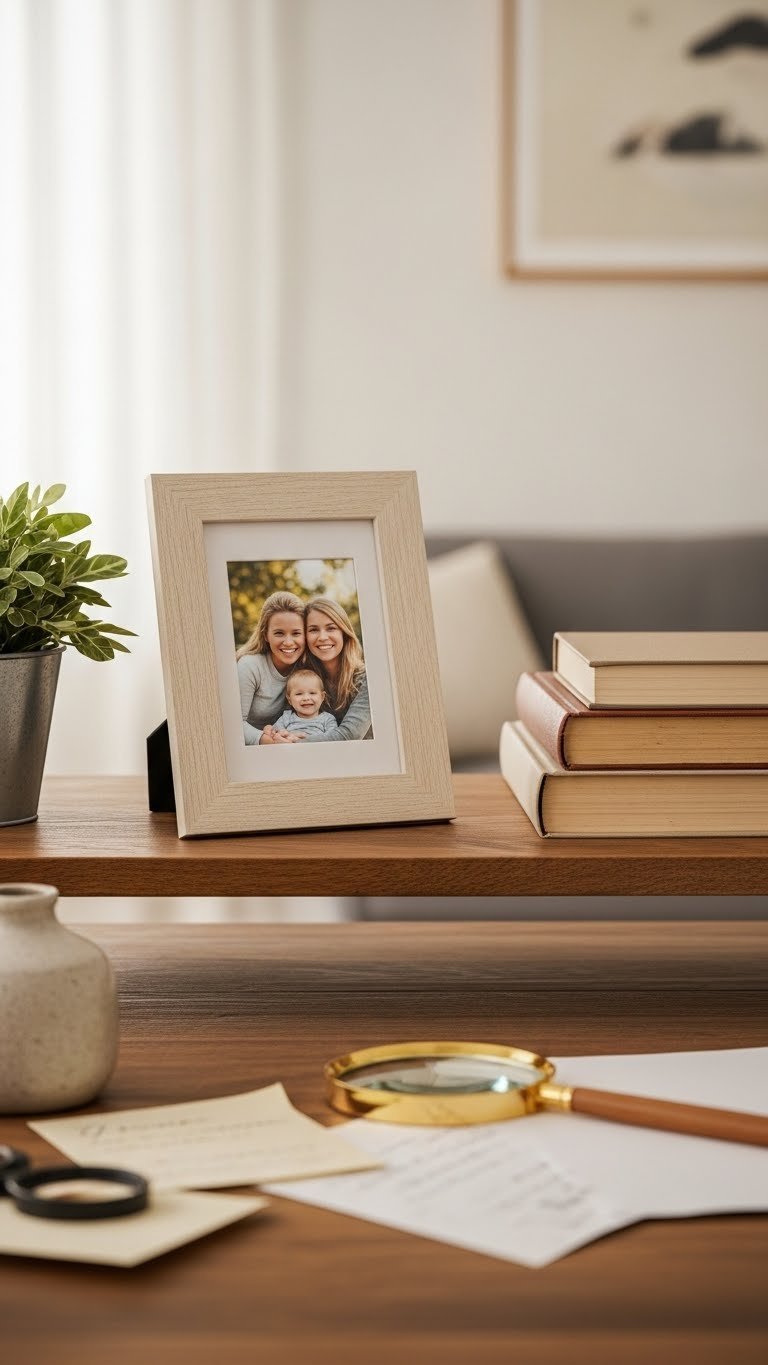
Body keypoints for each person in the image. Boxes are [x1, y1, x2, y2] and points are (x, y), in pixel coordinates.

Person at [236, 591, 306, 745]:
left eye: (296, 633)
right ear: (266, 635)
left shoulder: (306, 669)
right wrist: (270, 742)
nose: (288, 642)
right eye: (279, 633)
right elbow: (234, 725)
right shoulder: (250, 666)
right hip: (252, 751)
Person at [303, 596, 372, 740]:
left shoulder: (368, 678)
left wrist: (294, 743)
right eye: (313, 630)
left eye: (331, 628)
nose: (322, 637)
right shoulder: (302, 679)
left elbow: (349, 735)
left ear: (344, 633)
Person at [262, 668, 340, 742]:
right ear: (289, 700)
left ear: (322, 697)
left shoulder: (327, 719)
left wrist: (301, 739)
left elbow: (332, 739)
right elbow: (274, 734)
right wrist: (269, 730)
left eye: (312, 693)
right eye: (299, 694)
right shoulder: (286, 717)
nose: (306, 698)